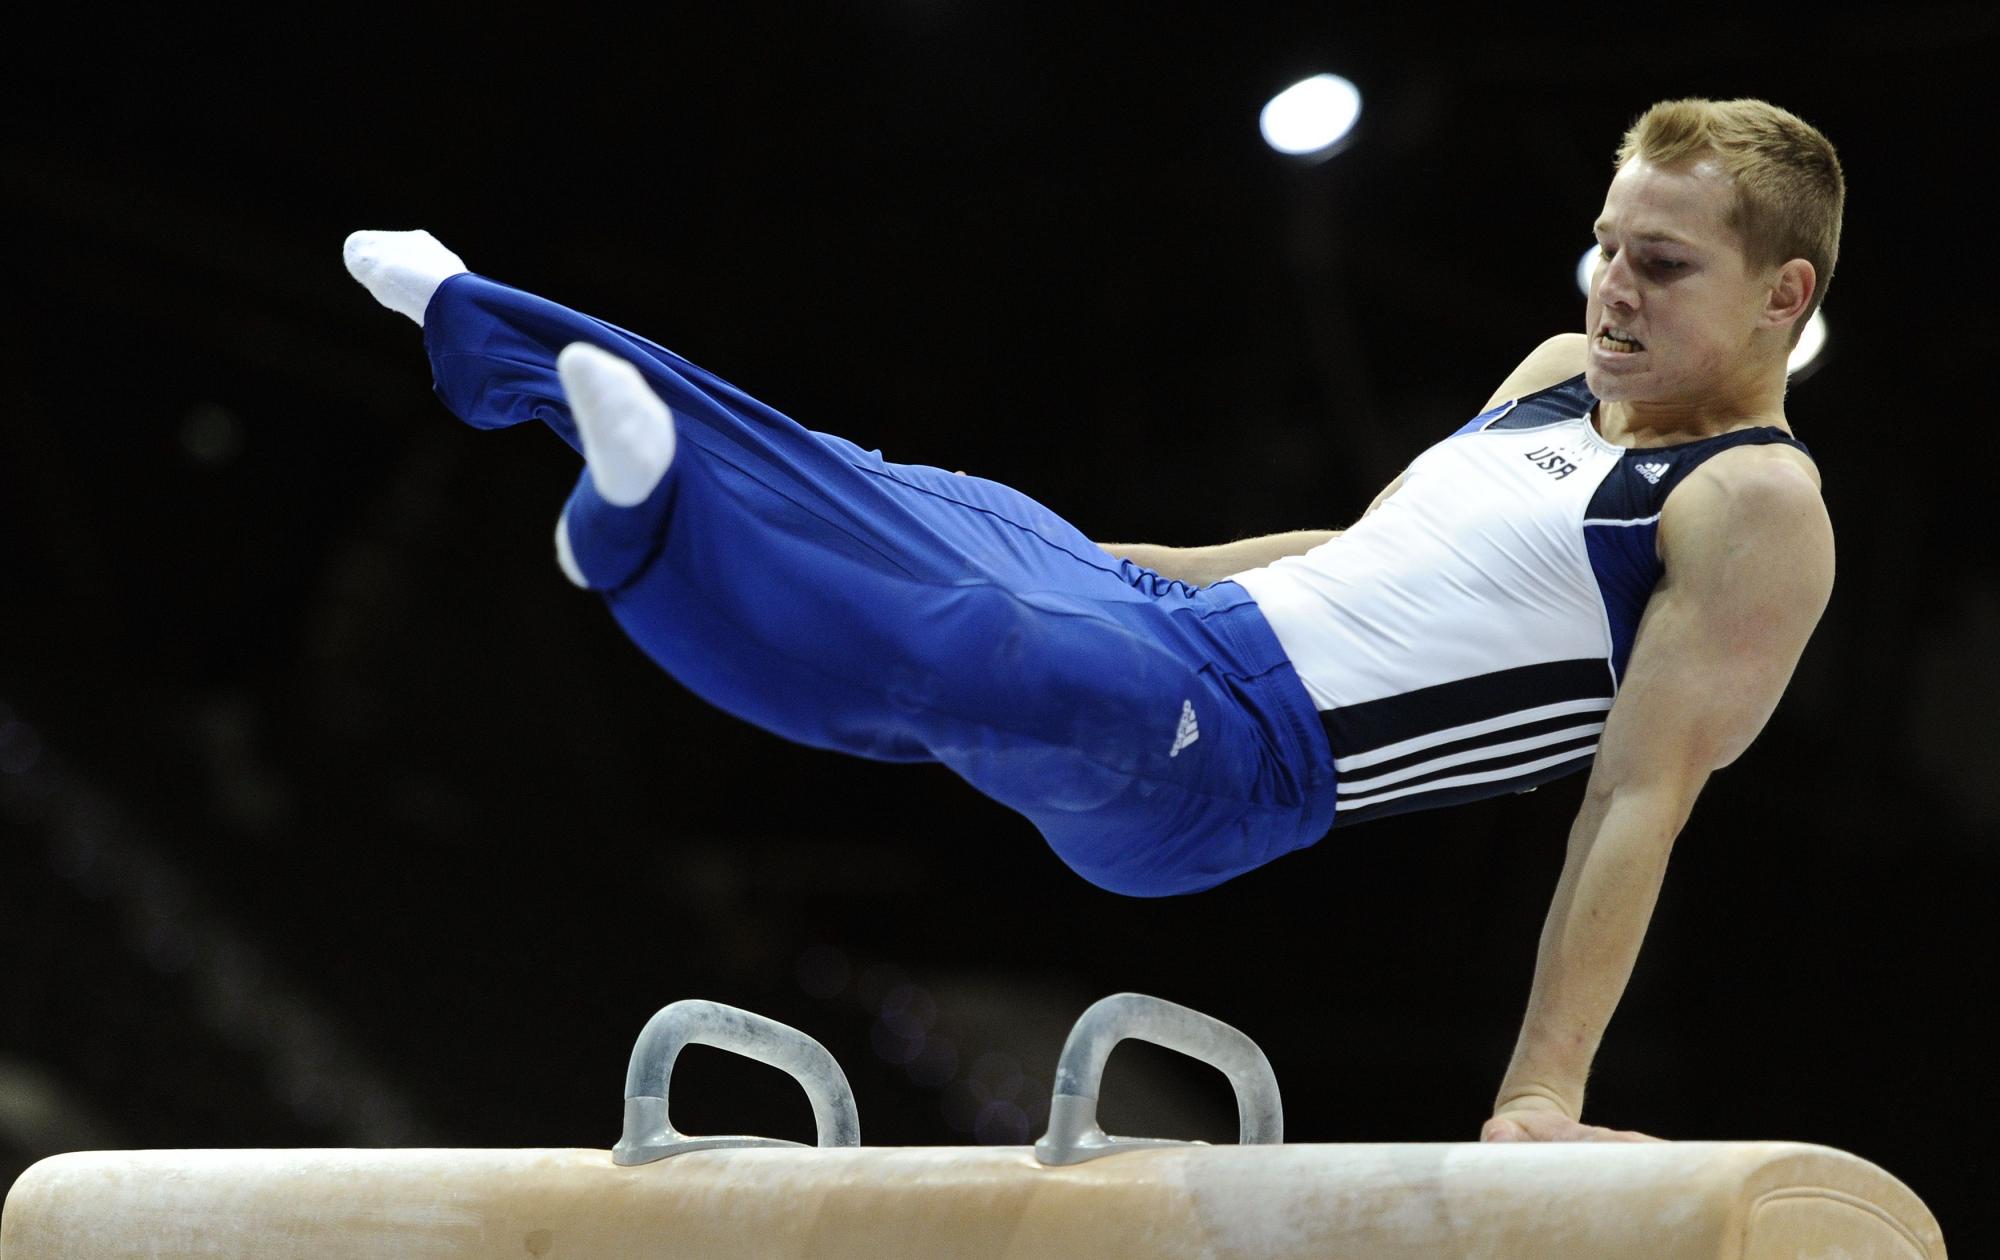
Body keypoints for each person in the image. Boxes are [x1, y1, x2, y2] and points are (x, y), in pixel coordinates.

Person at [344, 96, 1841, 1145]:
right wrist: (1097, 556)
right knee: (905, 496)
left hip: (1236, 766)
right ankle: (488, 328)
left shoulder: (1751, 505)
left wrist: (1540, 1095)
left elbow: (1639, 798)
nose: (1611, 292)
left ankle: (628, 534)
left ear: (1783, 293)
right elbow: (1368, 555)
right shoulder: (1549, 375)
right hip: (1170, 628)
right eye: (1604, 247)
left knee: (966, 652)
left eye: (1662, 265)